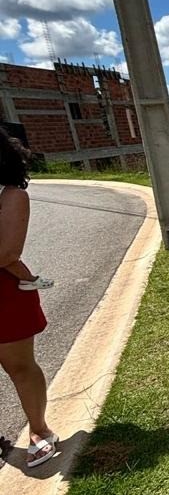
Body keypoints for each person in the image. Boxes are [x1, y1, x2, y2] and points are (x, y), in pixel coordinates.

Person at [0, 127, 58, 467]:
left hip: (4, 294)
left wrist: (25, 277)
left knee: (19, 366)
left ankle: (40, 430)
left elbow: (6, 252)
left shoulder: (11, 196)